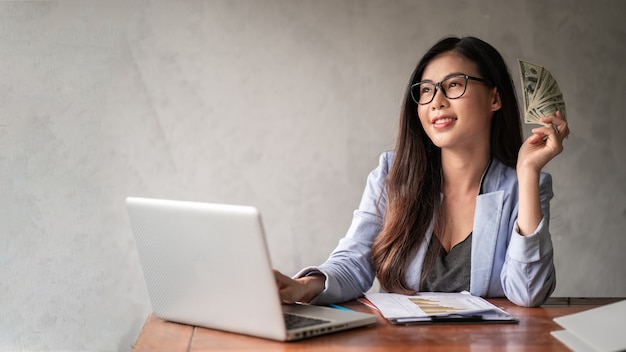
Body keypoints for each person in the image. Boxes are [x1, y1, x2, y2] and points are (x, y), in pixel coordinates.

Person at [274, 36, 569, 308]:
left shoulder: (526, 185)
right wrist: (304, 286)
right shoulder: (392, 174)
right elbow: (353, 261)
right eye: (427, 90)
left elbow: (529, 292)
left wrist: (528, 171)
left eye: (454, 84)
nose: (437, 101)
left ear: (494, 98)